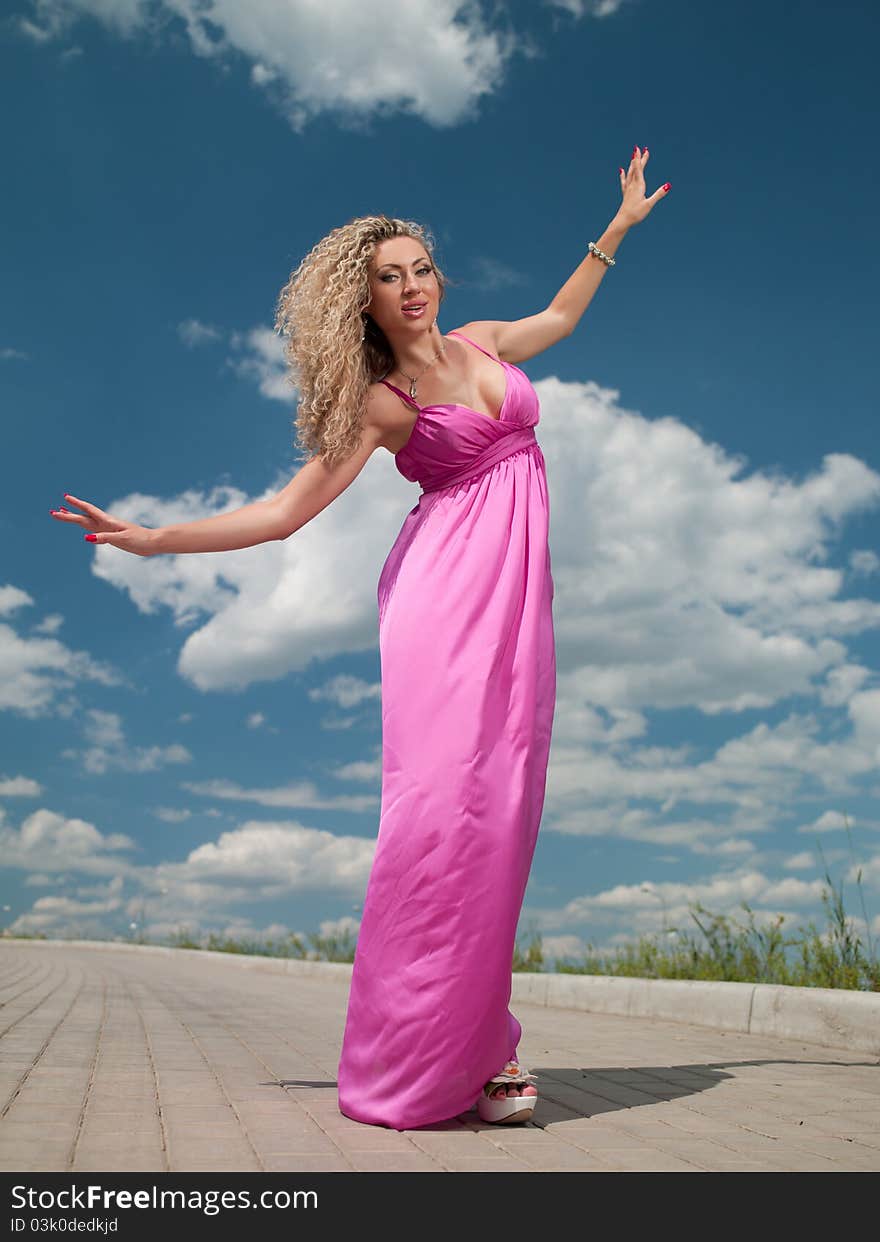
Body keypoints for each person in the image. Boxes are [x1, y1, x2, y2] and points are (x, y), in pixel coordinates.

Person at [49, 146, 668, 1130]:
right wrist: (154, 538)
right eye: (390, 276)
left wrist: (615, 231)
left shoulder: (484, 345)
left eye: (421, 268)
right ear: (364, 300)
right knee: (440, 813)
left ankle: (481, 1045)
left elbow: (556, 319)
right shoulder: (383, 406)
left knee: (499, 813)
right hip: (442, 597)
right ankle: (423, 1052)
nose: (412, 286)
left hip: (513, 600)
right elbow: (285, 513)